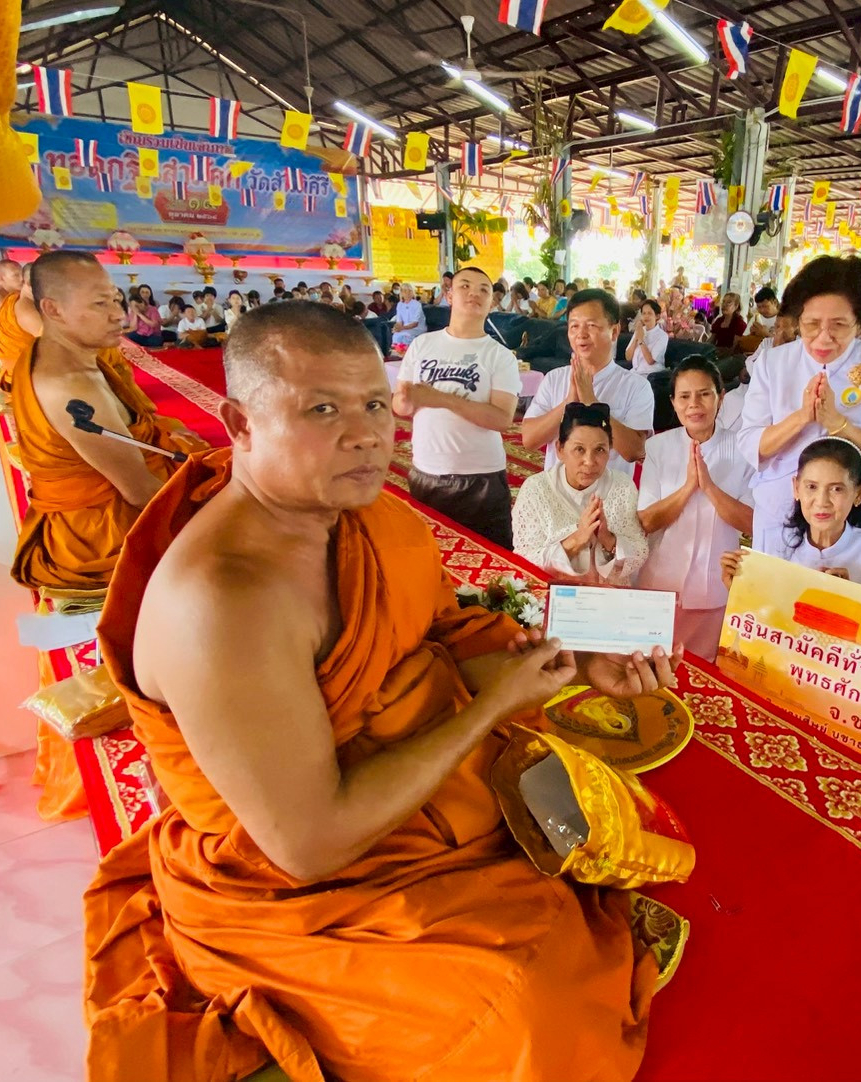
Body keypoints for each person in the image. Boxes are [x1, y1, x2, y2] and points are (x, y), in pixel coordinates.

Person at [84, 301, 677, 1081]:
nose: (365, 433)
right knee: (517, 1009)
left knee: (587, 828)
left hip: (406, 802)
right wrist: (495, 709)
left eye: (373, 403)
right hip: (299, 881)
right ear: (240, 422)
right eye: (321, 408)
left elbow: (431, 649)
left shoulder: (367, 519)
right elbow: (307, 845)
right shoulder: (224, 602)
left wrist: (570, 667)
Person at [9, 251, 205, 591]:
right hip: (102, 535)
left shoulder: (63, 353)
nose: (119, 315)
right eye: (101, 305)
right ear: (53, 310)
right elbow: (140, 492)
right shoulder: (70, 386)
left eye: (116, 299)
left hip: (108, 504)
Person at [736, 255, 861, 535]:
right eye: (812, 324)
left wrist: (837, 423)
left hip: (849, 515)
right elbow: (750, 444)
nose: (824, 337)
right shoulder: (774, 364)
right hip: (780, 504)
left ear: (859, 323)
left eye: (839, 325)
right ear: (797, 319)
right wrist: (802, 417)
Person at [393, 267, 521, 550]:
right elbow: (401, 405)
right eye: (465, 286)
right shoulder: (422, 345)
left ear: (492, 302)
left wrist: (441, 398)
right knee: (428, 559)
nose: (474, 293)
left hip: (481, 478)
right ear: (449, 295)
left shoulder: (499, 356)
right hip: (426, 471)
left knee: (491, 565)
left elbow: (502, 419)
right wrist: (406, 399)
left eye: (484, 290)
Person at [637, 358, 755, 660]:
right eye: (685, 396)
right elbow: (647, 521)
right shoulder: (658, 448)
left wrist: (710, 488)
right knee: (648, 668)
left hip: (714, 589)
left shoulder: (744, 450)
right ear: (674, 403)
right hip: (659, 584)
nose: (694, 404)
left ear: (721, 397)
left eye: (704, 394)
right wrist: (688, 487)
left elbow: (751, 523)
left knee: (699, 680)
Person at [725, 437, 861, 596]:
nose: (822, 501)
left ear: (859, 493)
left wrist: (850, 599)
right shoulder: (772, 541)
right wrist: (738, 590)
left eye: (836, 489)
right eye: (811, 487)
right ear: (796, 488)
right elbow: (761, 614)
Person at [522, 289, 655, 476]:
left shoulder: (636, 386)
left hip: (608, 500)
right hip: (558, 498)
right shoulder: (554, 379)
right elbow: (529, 440)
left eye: (591, 326)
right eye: (574, 326)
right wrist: (568, 402)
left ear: (614, 331)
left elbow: (635, 451)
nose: (581, 334)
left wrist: (591, 402)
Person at [513, 403, 648, 584]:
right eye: (579, 449)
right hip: (553, 594)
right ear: (560, 449)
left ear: (610, 451)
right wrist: (577, 539)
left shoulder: (621, 486)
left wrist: (608, 539)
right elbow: (524, 559)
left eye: (600, 450)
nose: (589, 461)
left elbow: (640, 551)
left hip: (610, 596)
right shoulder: (537, 488)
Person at [0, 271, 42, 372]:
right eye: (15, 275)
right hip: (24, 369)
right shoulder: (26, 312)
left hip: (12, 364)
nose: (20, 279)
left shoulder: (12, 299)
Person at [625, 299, 669, 375]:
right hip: (635, 372)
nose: (646, 316)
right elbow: (628, 357)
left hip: (651, 374)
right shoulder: (639, 331)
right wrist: (636, 338)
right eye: (644, 313)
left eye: (649, 313)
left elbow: (650, 361)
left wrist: (641, 340)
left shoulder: (662, 336)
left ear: (657, 316)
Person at [391, 283, 424, 353]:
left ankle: (406, 354)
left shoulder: (417, 304)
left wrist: (402, 328)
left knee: (405, 336)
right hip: (405, 328)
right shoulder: (400, 304)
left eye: (410, 291)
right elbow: (399, 321)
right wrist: (396, 328)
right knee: (395, 335)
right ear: (401, 293)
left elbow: (415, 323)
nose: (408, 293)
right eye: (405, 291)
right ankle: (397, 354)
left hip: (416, 328)